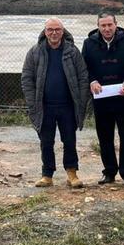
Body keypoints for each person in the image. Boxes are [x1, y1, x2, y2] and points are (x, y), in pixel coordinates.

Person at [21, 17, 89, 188]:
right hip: (44, 107)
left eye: (57, 29)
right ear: (45, 32)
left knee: (70, 140)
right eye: (50, 29)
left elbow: (83, 77)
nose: (54, 33)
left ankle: (72, 174)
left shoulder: (72, 52)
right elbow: (26, 78)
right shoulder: (35, 52)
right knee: (46, 141)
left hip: (67, 106)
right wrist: (32, 102)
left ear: (63, 31)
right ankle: (47, 175)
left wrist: (80, 101)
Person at [81, 12, 124, 186]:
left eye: (110, 25)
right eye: (103, 25)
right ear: (98, 26)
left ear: (116, 24)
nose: (107, 28)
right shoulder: (88, 43)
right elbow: (85, 68)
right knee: (104, 136)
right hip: (101, 99)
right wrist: (92, 81)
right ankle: (109, 172)